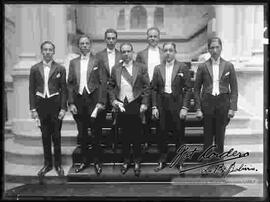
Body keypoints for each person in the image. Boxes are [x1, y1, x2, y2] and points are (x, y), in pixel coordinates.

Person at [194, 37, 238, 164]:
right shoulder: (203, 67)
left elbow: (234, 89)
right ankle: (206, 163)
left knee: (220, 135)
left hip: (223, 102)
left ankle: (219, 163)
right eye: (212, 47)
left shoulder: (229, 66)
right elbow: (196, 89)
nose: (214, 50)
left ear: (221, 48)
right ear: (208, 49)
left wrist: (232, 107)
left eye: (217, 47)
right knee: (207, 135)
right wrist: (198, 108)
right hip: (207, 103)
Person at [108, 42, 150, 177]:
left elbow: (147, 87)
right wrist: (113, 100)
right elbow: (111, 87)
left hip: (136, 104)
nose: (126, 54)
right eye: (123, 52)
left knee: (137, 135)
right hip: (122, 105)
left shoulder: (141, 67)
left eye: (128, 51)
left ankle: (137, 161)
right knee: (124, 135)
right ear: (121, 53)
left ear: (132, 52)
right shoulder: (116, 68)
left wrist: (144, 103)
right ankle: (126, 161)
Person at [67, 34, 106, 175]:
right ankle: (84, 161)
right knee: (82, 133)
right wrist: (71, 103)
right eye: (82, 43)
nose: (84, 45)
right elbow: (70, 84)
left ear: (90, 45)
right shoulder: (73, 62)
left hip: (94, 101)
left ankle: (97, 161)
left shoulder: (98, 61)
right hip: (79, 101)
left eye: (86, 43)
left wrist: (101, 102)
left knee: (96, 133)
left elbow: (103, 83)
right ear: (79, 46)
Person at [151, 42, 192, 172]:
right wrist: (154, 107)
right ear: (163, 52)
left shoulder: (183, 67)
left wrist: (185, 107)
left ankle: (180, 161)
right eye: (166, 50)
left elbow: (188, 89)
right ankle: (162, 160)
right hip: (162, 103)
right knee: (161, 133)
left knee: (179, 133)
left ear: (175, 52)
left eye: (171, 50)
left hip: (177, 104)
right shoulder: (158, 68)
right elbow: (154, 89)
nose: (168, 53)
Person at [29, 41, 67, 177]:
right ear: (41, 51)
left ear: (53, 52)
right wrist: (33, 109)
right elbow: (31, 90)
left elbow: (64, 90)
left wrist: (63, 108)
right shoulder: (34, 68)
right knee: (45, 136)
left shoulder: (60, 69)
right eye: (45, 49)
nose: (47, 52)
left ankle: (58, 164)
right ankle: (47, 164)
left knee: (56, 136)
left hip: (55, 106)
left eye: (50, 50)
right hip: (41, 106)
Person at [136, 27, 164, 150]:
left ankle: (159, 140)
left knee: (160, 116)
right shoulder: (141, 54)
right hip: (146, 89)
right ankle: (146, 140)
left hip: (159, 89)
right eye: (150, 36)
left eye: (155, 36)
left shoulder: (164, 53)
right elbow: (137, 72)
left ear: (159, 38)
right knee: (146, 117)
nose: (153, 38)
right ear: (147, 38)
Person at [96, 28, 122, 150]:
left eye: (113, 38)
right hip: (102, 91)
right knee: (100, 117)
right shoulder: (98, 56)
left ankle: (115, 141)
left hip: (116, 91)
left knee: (117, 118)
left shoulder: (121, 55)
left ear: (116, 39)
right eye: (109, 38)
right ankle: (101, 141)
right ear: (105, 39)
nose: (111, 41)